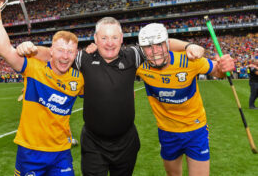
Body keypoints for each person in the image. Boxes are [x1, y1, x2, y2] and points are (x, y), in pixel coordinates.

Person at [16, 17, 205, 176]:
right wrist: (32, 49)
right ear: (95, 39)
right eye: (104, 37)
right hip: (93, 144)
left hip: (126, 143)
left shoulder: (133, 55)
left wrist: (189, 45)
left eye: (114, 37)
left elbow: (163, 42)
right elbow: (51, 53)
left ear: (122, 38)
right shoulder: (83, 59)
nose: (110, 42)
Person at [0, 5, 84, 176]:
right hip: (30, 151)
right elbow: (3, 49)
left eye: (70, 52)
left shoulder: (78, 79)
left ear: (76, 54)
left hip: (61, 152)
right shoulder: (33, 67)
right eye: (61, 50)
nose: (65, 56)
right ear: (51, 51)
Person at [135, 23, 235, 176]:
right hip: (167, 132)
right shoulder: (140, 66)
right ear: (142, 49)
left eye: (159, 45)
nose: (155, 51)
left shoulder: (188, 60)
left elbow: (217, 71)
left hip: (195, 130)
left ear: (167, 44)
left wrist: (224, 67)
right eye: (148, 47)